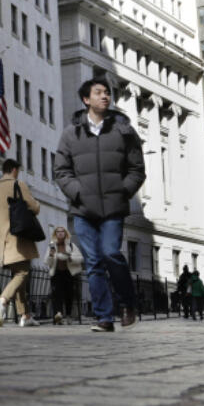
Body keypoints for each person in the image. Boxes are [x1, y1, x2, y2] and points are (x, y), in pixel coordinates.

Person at [52, 77, 145, 333]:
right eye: (98, 92)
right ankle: (104, 317)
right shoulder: (71, 133)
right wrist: (77, 192)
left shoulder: (123, 130)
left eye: (107, 93)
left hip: (113, 208)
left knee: (111, 253)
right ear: (86, 99)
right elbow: (61, 170)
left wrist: (122, 191)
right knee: (92, 262)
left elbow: (137, 169)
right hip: (83, 209)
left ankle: (128, 304)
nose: (105, 96)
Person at [0, 159, 43, 327]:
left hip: (3, 237)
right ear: (13, 170)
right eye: (18, 170)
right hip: (19, 235)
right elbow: (34, 207)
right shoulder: (17, 184)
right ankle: (3, 300)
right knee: (23, 273)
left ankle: (25, 315)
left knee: (17, 274)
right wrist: (37, 204)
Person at [45, 226, 76, 324]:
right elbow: (46, 262)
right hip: (56, 273)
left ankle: (68, 315)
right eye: (58, 232)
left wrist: (71, 258)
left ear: (65, 234)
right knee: (56, 294)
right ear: (55, 234)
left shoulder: (71, 245)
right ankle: (58, 315)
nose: (60, 233)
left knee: (68, 294)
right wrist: (50, 255)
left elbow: (80, 258)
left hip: (68, 273)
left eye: (62, 231)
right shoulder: (52, 246)